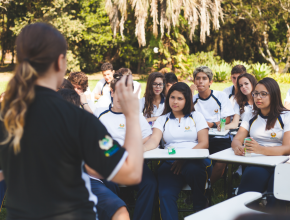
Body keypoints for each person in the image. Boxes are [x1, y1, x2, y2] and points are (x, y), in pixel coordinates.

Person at [0, 23, 144, 220]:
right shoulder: (79, 120)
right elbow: (131, 173)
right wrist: (132, 115)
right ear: (60, 62)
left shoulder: (6, 117)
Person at [143, 82, 212, 219]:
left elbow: (204, 143)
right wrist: (142, 149)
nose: (175, 102)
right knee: (165, 194)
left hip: (195, 160)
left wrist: (183, 159)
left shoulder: (196, 116)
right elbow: (154, 140)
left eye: (180, 98)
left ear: (187, 100)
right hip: (170, 163)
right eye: (172, 97)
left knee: (195, 170)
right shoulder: (163, 119)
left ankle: (200, 208)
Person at [94, 72, 156, 220]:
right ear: (112, 92)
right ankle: (118, 215)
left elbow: (147, 136)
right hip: (109, 163)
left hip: (133, 162)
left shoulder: (135, 114)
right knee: (109, 185)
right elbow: (96, 140)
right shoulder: (100, 114)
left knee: (150, 184)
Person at [232, 77, 290, 208]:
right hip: (258, 162)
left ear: (274, 95)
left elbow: (288, 148)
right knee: (244, 198)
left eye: (264, 94)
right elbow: (237, 139)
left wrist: (261, 150)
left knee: (276, 197)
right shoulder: (250, 114)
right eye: (256, 93)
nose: (258, 97)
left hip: (283, 163)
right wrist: (237, 147)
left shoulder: (286, 116)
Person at [192, 66, 235, 185]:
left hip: (219, 136)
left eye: (204, 78)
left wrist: (211, 124)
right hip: (199, 137)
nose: (200, 81)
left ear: (210, 82)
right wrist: (190, 92)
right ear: (194, 81)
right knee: (197, 161)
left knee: (221, 161)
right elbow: (188, 117)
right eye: (198, 78)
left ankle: (208, 185)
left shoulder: (220, 96)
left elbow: (226, 119)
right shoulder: (192, 98)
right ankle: (202, 186)